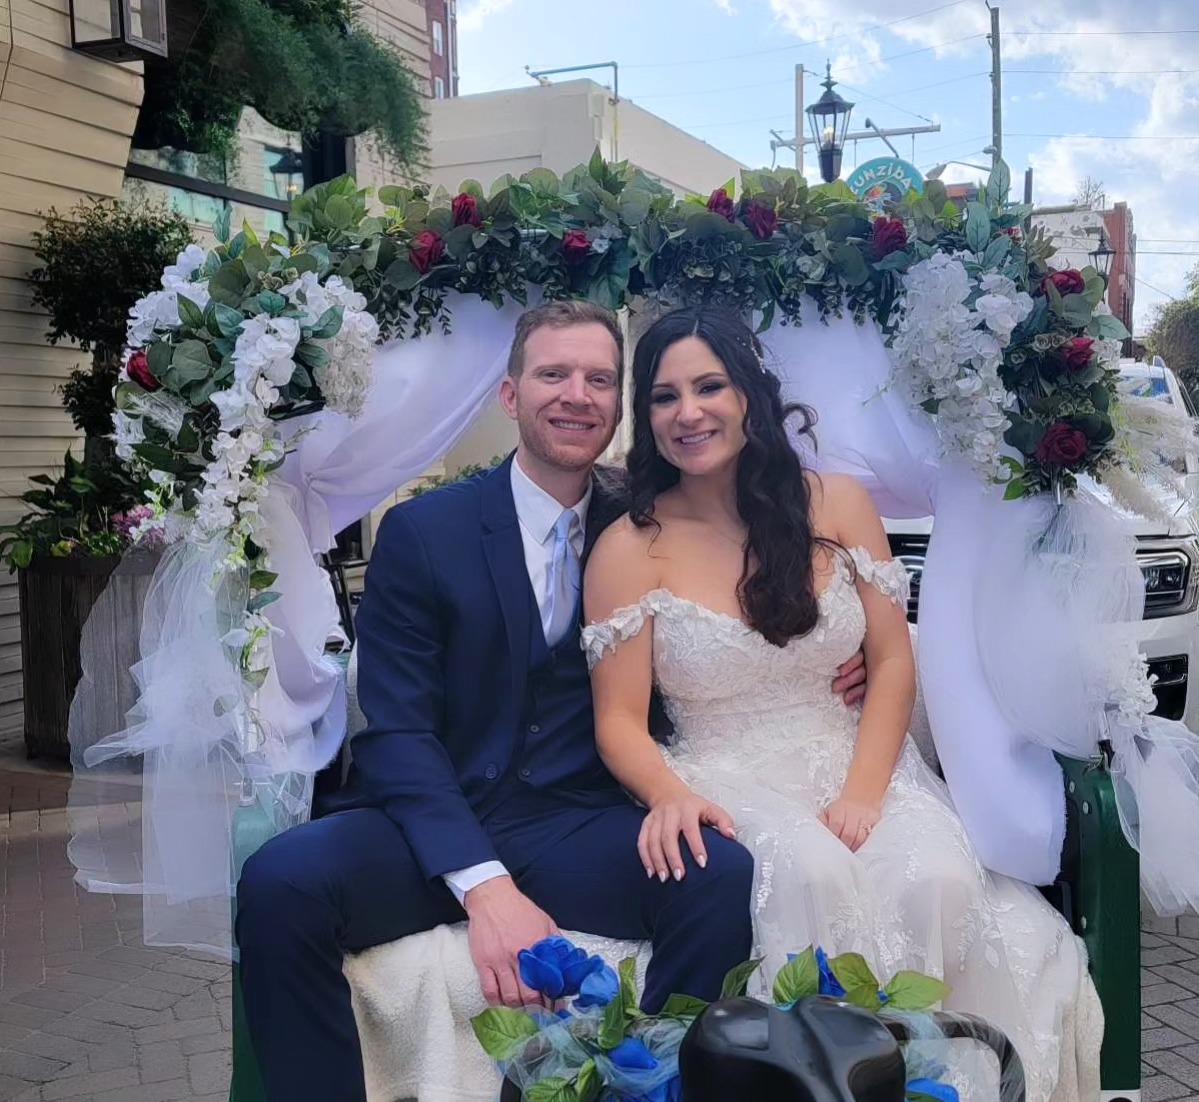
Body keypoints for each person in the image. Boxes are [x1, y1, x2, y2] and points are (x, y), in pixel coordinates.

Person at [235, 300, 868, 1102]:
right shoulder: (425, 531)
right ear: (509, 395)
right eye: (553, 374)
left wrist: (853, 667)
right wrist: (486, 887)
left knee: (715, 875)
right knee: (280, 880)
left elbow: (748, 621)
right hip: (435, 821)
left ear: (618, 407)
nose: (577, 395)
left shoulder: (650, 522)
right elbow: (396, 733)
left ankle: (646, 1087)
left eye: (599, 379)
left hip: (580, 818)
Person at [583, 307, 1102, 1102]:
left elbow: (892, 658)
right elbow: (618, 719)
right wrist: (670, 795)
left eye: (709, 386)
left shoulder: (837, 503)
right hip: (725, 770)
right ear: (644, 418)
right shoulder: (629, 546)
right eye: (662, 396)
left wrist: (864, 792)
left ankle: (935, 1082)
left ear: (750, 393)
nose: (687, 412)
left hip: (854, 755)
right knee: (809, 873)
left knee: (937, 880)